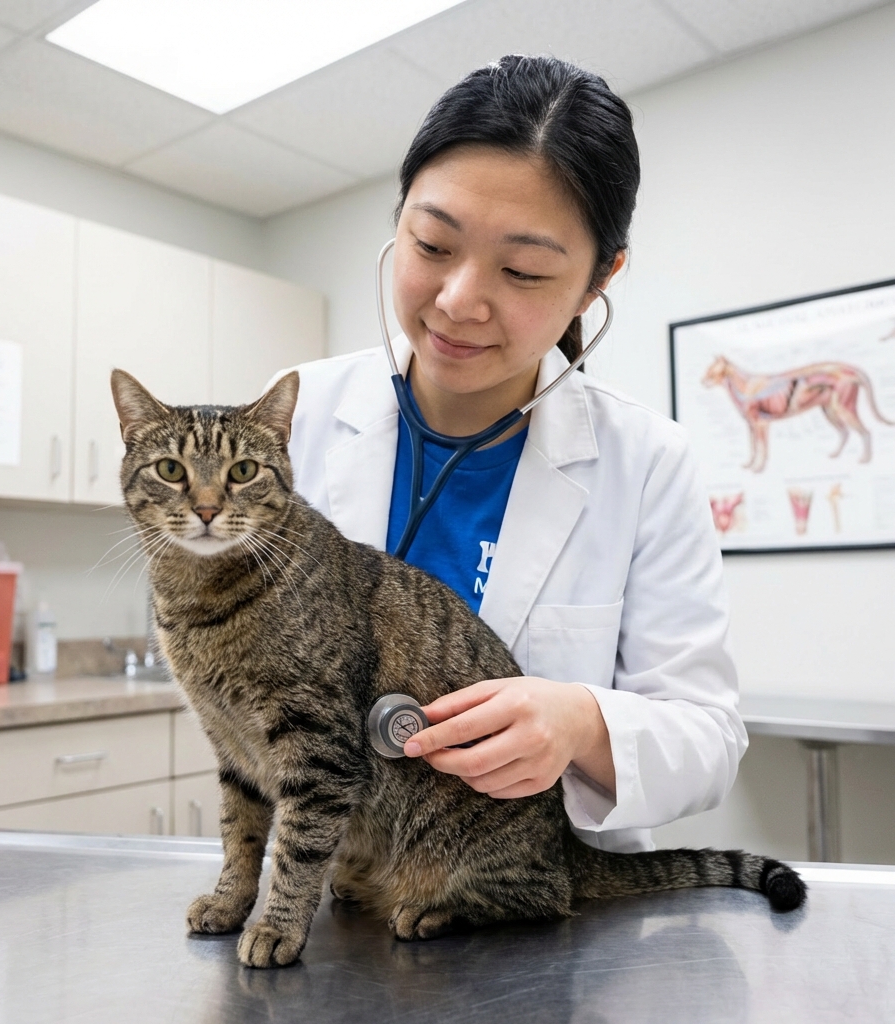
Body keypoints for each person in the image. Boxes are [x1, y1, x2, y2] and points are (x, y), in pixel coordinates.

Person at [280, 54, 745, 853]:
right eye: (431, 245)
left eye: (523, 271)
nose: (459, 301)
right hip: (328, 901)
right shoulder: (299, 415)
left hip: (526, 908)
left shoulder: (645, 461)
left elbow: (707, 741)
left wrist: (579, 723)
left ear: (598, 281)